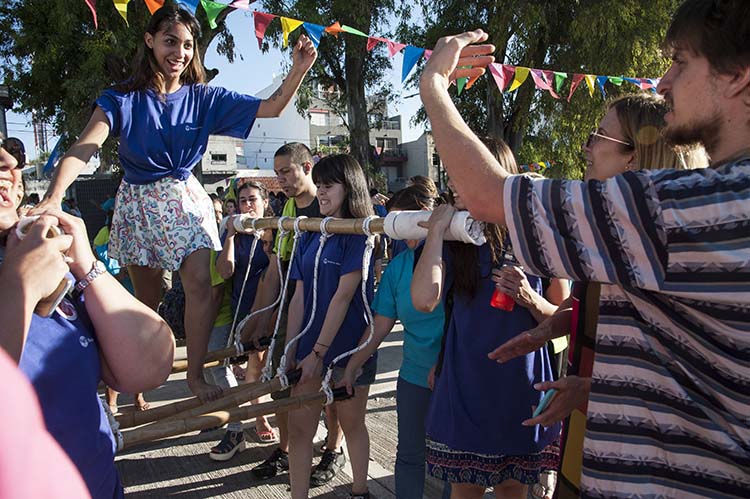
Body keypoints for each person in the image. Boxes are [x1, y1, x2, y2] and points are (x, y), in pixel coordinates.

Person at [418, 0, 750, 495]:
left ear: (737, 76)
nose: (661, 82)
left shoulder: (680, 205)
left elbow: (488, 196)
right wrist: (594, 380)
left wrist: (434, 86)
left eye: (680, 62)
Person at [34, 5, 317, 402]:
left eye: (187, 45)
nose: (179, 53)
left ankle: (196, 376)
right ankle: (122, 382)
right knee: (145, 299)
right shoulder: (122, 99)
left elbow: (271, 107)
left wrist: (299, 68)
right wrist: (52, 196)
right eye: (170, 42)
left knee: (201, 284)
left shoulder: (205, 97)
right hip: (138, 203)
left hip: (185, 198)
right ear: (150, 41)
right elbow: (85, 146)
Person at [489, 93, 707, 497]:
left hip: (640, 453)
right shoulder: (613, 232)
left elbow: (675, 377)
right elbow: (587, 301)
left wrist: (433, 86)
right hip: (594, 423)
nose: (587, 146)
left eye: (599, 135)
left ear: (634, 158)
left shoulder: (659, 236)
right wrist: (549, 326)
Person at [0, 133, 174, 498]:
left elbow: (149, 365)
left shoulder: (47, 260)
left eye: (10, 154)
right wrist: (20, 290)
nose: (8, 163)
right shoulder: (27, 274)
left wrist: (88, 268)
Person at [411, 138, 569, 499]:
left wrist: (529, 298)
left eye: (463, 174)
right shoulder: (455, 236)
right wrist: (436, 231)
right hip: (466, 381)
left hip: (522, 383)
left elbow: (564, 315)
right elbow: (423, 301)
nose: (453, 184)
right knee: (464, 490)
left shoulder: (539, 234)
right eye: (452, 176)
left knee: (513, 489)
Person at [241, 143, 344, 484]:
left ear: (307, 166)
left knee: (328, 385)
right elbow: (274, 271)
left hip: (327, 303)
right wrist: (256, 320)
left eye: (287, 171)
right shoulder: (284, 208)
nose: (281, 178)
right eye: (278, 172)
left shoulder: (328, 204)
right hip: (293, 305)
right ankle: (286, 450)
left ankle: (332, 450)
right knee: (283, 383)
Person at [341, 184, 449, 499]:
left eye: (404, 222)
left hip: (455, 377)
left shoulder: (459, 261)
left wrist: (445, 362)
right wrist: (352, 366)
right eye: (394, 223)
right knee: (410, 455)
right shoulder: (399, 268)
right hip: (414, 376)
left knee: (456, 462)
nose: (398, 232)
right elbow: (379, 327)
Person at [285, 154, 376, 499]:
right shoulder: (310, 231)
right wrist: (293, 349)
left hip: (349, 349)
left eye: (329, 185)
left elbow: (343, 296)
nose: (321, 192)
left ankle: (360, 490)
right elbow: (298, 296)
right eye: (318, 185)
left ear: (349, 187)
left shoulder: (360, 234)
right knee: (299, 431)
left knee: (352, 424)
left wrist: (319, 353)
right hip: (309, 350)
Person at [208, 180, 275, 459]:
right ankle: (238, 424)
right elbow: (225, 271)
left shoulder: (273, 229)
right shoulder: (234, 231)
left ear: (265, 202)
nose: (249, 204)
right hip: (237, 311)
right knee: (216, 362)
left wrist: (268, 241)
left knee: (255, 370)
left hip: (263, 312)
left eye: (253, 199)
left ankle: (255, 419)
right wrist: (231, 236)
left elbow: (277, 272)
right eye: (244, 200)